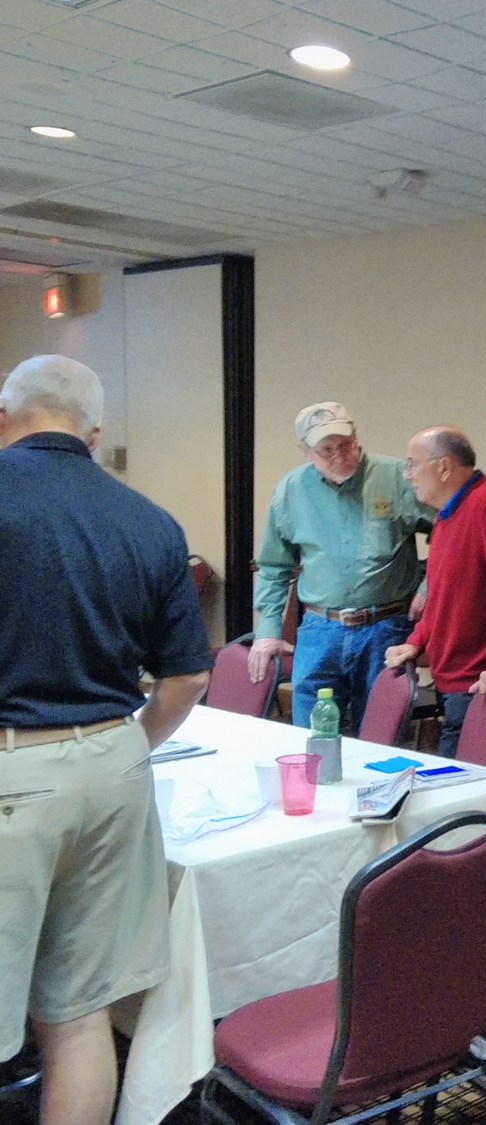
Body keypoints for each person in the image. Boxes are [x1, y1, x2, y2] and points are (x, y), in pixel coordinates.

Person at [0, 355, 213, 1125]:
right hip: (117, 767)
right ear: (94, 434)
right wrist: (125, 747)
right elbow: (188, 677)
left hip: (11, 767)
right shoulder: (149, 519)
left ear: (4, 417)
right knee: (81, 1011)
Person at [247, 401, 430, 729]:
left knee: (378, 734)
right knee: (311, 733)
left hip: (386, 627)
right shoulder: (291, 490)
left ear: (356, 437)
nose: (339, 455)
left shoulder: (397, 477)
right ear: (305, 451)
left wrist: (431, 585)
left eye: (345, 445)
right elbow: (274, 566)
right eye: (326, 449)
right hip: (320, 629)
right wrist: (268, 630)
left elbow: (452, 531)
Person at [383, 426, 486, 758]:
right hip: (454, 682)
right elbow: (443, 599)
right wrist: (416, 641)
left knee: (459, 785)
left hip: (481, 684)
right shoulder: (448, 514)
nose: (408, 475)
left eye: (412, 464)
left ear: (444, 467)